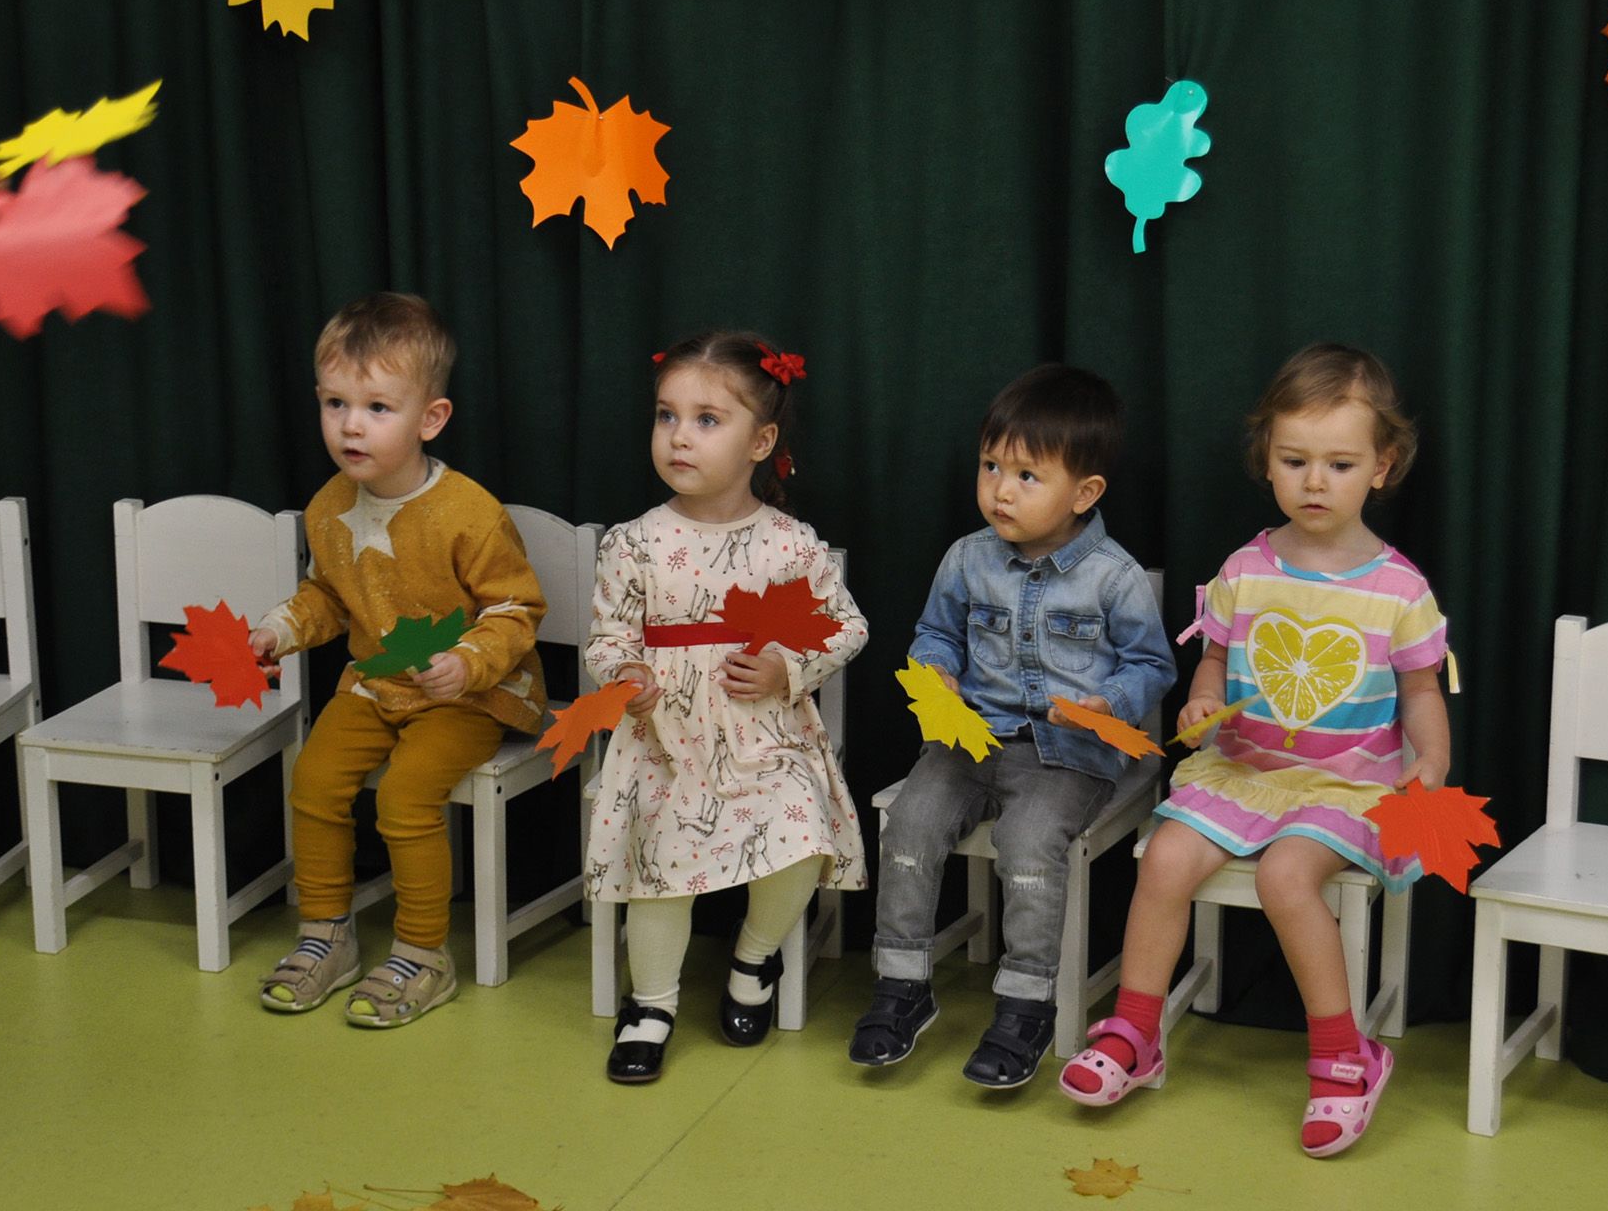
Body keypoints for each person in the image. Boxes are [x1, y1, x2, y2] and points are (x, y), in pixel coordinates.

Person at [1059, 343, 1450, 1158]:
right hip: (1244, 770)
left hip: (1348, 786)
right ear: (1267, 460)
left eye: (1340, 464)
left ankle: (1347, 1055)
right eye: (1294, 461)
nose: (1315, 482)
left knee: (1285, 876)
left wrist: (1432, 765)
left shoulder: (1401, 589)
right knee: (1166, 858)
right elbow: (1214, 657)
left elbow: (1421, 694)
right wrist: (1204, 698)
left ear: (1382, 467)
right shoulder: (1245, 568)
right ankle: (1135, 1029)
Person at [849, 364, 1177, 1089]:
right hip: (969, 739)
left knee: (1028, 842)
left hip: (1068, 754)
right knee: (909, 825)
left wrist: (1109, 703)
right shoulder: (967, 558)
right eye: (991, 466)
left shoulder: (1114, 577)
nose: (1001, 489)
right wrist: (935, 669)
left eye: (1027, 476)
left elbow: (1153, 665)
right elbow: (935, 634)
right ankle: (901, 985)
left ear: (1084, 493)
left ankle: (1026, 1003)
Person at [249, 292, 547, 1027]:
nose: (351, 425)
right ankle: (327, 934)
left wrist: (467, 663)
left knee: (405, 797)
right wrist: (280, 630)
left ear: (430, 418)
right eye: (335, 403)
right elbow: (328, 595)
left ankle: (423, 952)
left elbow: (517, 609)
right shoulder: (330, 506)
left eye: (377, 407)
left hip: (467, 695)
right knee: (313, 781)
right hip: (375, 683)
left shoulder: (469, 512)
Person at [584, 331, 868, 1084]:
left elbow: (846, 627)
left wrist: (786, 666)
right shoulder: (633, 543)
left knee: (801, 826)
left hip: (764, 737)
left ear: (760, 442)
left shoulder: (790, 544)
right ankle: (651, 1003)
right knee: (661, 853)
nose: (679, 436)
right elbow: (607, 640)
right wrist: (627, 675)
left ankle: (754, 958)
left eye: (707, 419)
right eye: (666, 416)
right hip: (665, 742)